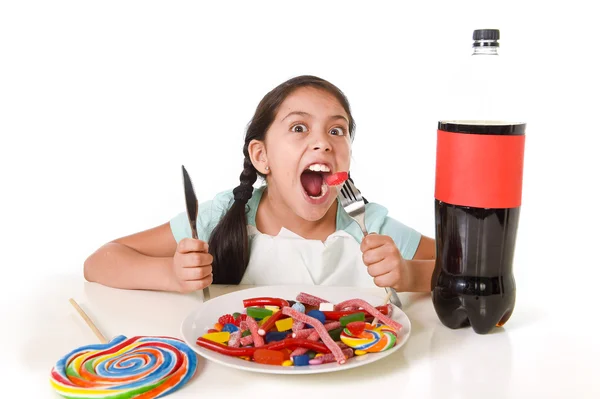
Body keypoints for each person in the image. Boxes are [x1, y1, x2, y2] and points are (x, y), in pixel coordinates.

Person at [84, 75, 436, 294]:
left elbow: (471, 268)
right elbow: (100, 261)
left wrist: (410, 274)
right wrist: (172, 274)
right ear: (261, 156)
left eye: (336, 130)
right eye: (299, 128)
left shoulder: (368, 224)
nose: (323, 142)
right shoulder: (221, 217)